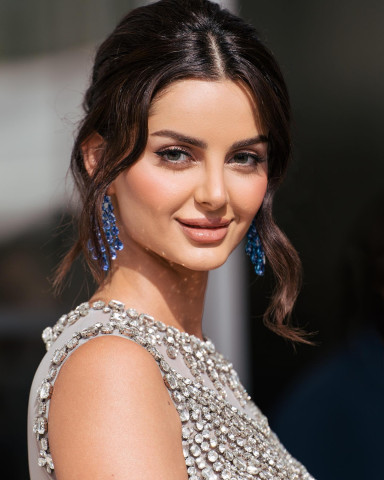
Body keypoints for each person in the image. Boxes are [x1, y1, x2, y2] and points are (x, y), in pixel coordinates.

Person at [27, 1, 314, 478]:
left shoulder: (184, 353)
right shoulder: (111, 368)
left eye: (244, 158)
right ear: (100, 160)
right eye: (177, 154)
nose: (216, 194)